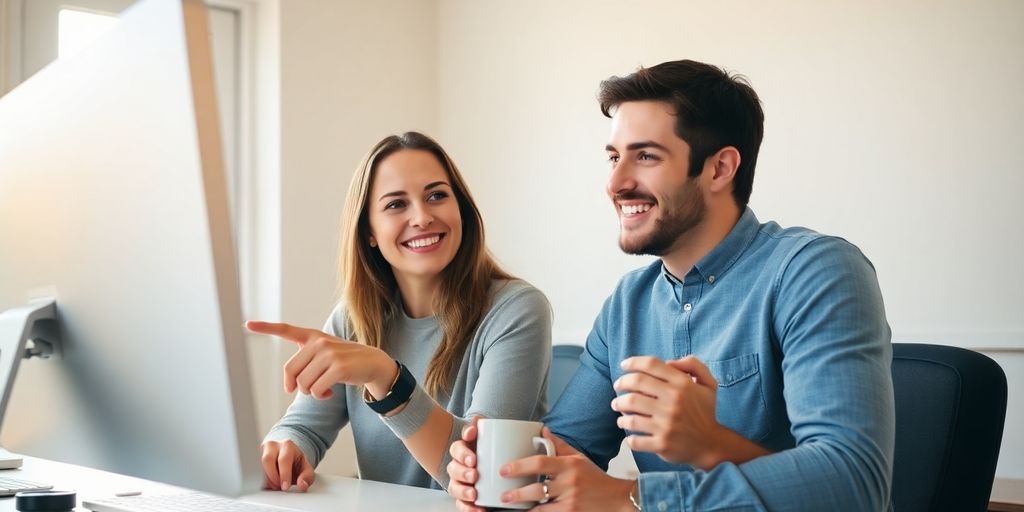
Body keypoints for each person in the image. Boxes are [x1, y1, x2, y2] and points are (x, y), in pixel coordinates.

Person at [446, 60, 894, 511]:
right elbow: (567, 449)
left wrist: (635, 497)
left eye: (645, 156)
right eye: (613, 157)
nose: (615, 183)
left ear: (720, 168)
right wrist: (503, 475)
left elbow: (853, 485)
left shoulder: (815, 271)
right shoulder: (627, 304)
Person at [248, 131, 552, 491]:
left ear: (462, 211)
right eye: (396, 204)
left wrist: (386, 378)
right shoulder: (353, 318)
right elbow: (303, 428)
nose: (422, 217)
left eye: (437, 196)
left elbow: (485, 475)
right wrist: (286, 449)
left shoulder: (517, 310)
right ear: (369, 232)